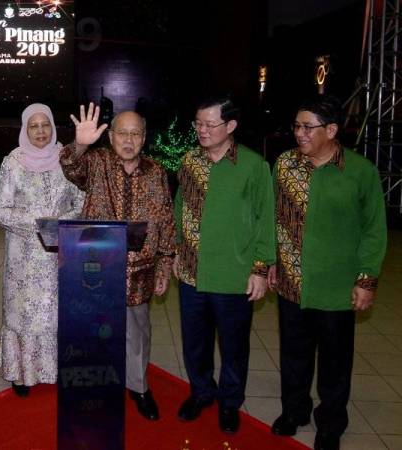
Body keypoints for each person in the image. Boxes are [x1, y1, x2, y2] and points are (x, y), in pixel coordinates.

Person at [268, 95, 387, 450]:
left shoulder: (360, 171)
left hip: (336, 287)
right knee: (293, 355)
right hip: (291, 281)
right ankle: (294, 411)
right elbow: (272, 217)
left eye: (308, 127)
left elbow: (374, 230)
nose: (299, 133)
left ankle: (331, 424)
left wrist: (366, 280)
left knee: (335, 363)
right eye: (296, 126)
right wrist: (270, 261)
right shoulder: (285, 164)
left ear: (332, 130)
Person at [60, 103, 176, 420]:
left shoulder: (156, 172)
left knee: (137, 332)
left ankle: (138, 387)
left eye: (135, 134)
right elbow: (69, 165)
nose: (128, 140)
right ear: (110, 137)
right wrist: (80, 143)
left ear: (144, 138)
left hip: (140, 269)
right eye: (122, 133)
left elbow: (166, 220)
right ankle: (98, 387)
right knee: (94, 330)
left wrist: (165, 264)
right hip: (96, 268)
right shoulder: (96, 163)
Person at [173, 95, 275, 433]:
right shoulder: (190, 161)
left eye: (210, 124)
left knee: (233, 345)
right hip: (191, 271)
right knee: (195, 342)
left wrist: (260, 268)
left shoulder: (253, 166)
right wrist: (177, 249)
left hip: (234, 274)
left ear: (230, 125)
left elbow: (266, 219)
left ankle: (230, 402)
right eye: (198, 123)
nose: (202, 130)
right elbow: (180, 207)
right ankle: (201, 392)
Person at [0, 103, 84, 397]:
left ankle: (56, 369)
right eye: (34, 125)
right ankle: (22, 372)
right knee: (24, 313)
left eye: (45, 125)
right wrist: (37, 223)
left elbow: (82, 202)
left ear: (53, 127)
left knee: (56, 311)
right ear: (25, 129)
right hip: (24, 256)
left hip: (60, 252)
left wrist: (61, 223)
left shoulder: (66, 159)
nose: (40, 131)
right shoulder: (13, 162)